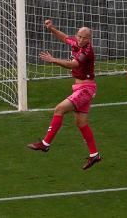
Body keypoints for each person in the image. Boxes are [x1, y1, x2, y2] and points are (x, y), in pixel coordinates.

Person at [27, 19, 101, 170]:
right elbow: (65, 38)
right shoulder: (76, 42)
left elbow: (72, 64)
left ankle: (45, 144)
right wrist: (52, 28)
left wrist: (53, 60)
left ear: (89, 39)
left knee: (59, 109)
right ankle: (94, 155)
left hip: (85, 89)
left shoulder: (87, 52)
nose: (80, 40)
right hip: (82, 87)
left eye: (84, 38)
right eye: (79, 36)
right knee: (81, 123)